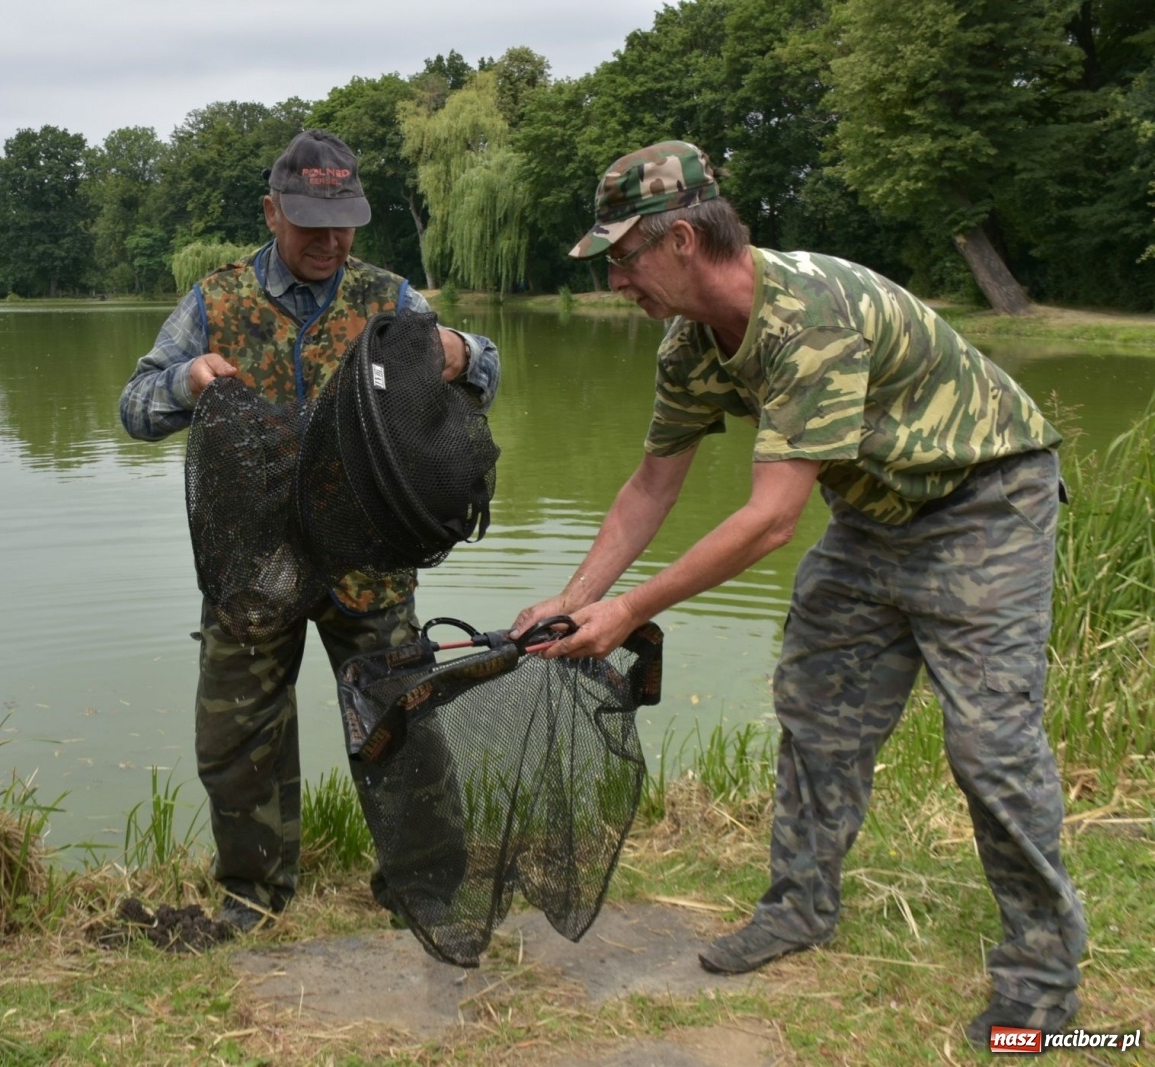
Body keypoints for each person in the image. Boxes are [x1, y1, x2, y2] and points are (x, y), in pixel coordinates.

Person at [511, 141, 1083, 1045]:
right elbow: (651, 485)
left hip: (985, 503)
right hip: (872, 514)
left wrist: (628, 612)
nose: (615, 281)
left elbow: (772, 519)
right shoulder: (689, 345)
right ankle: (799, 908)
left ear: (686, 240)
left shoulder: (810, 313)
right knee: (816, 706)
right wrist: (574, 596)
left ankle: (1043, 978)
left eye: (623, 258)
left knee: (990, 744)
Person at [120, 129, 500, 932]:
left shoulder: (389, 300)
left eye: (344, 223)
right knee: (236, 737)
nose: (330, 240)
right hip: (252, 564)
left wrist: (462, 352)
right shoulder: (214, 302)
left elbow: (486, 370)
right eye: (309, 224)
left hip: (371, 561)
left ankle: (424, 888)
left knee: (403, 723)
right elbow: (134, 406)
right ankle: (252, 896)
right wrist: (186, 382)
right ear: (271, 211)